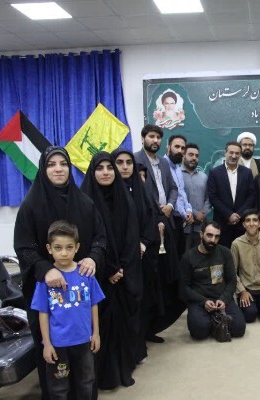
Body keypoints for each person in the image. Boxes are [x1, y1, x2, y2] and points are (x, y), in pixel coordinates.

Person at [14, 146, 106, 400]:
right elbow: (23, 247)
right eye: (51, 164)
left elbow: (100, 237)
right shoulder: (30, 206)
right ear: (43, 170)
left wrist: (93, 257)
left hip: (79, 294)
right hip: (47, 292)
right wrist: (45, 269)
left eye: (63, 164)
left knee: (85, 367)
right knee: (55, 369)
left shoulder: (85, 203)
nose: (58, 169)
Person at [81, 152, 143, 390]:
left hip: (124, 274)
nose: (106, 172)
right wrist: (108, 269)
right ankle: (105, 375)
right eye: (100, 168)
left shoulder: (124, 199)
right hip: (99, 275)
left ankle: (123, 368)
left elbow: (131, 236)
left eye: (109, 167)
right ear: (92, 172)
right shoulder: (85, 201)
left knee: (124, 323)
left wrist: (122, 268)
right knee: (102, 325)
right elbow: (86, 241)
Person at [31, 220, 105, 400]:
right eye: (58, 248)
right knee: (58, 388)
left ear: (77, 247)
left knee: (86, 381)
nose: (64, 253)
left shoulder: (86, 274)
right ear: (49, 249)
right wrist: (47, 344)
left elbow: (93, 304)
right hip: (58, 345)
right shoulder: (46, 280)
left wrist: (96, 333)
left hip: (84, 341)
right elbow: (43, 313)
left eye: (69, 247)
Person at [134, 124, 184, 343]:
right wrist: (157, 213)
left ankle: (155, 325)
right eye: (151, 136)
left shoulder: (163, 162)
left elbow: (173, 188)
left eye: (158, 137)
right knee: (150, 280)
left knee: (165, 277)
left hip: (167, 222)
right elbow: (139, 193)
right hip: (148, 225)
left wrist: (170, 206)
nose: (155, 140)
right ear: (143, 138)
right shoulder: (135, 160)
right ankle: (142, 330)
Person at [112, 147, 160, 364]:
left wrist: (143, 242)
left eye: (128, 162)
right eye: (119, 162)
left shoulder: (140, 190)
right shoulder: (109, 193)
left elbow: (150, 219)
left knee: (141, 303)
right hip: (119, 261)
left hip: (141, 256)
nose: (124, 167)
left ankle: (138, 348)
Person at [179, 221, 246, 340]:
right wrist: (203, 301)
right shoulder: (188, 257)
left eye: (216, 237)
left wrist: (224, 299)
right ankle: (216, 321)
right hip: (199, 301)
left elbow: (232, 280)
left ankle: (216, 321)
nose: (213, 240)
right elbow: (184, 287)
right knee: (199, 332)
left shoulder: (225, 252)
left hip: (222, 299)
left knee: (239, 329)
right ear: (201, 234)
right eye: (209, 235)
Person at [231, 209, 260, 323]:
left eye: (255, 220)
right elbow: (232, 271)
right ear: (244, 224)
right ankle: (253, 306)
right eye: (248, 221)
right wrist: (242, 291)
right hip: (247, 288)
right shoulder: (236, 244)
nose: (251, 223)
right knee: (249, 316)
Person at [207, 141, 256, 248]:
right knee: (222, 252)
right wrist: (229, 215)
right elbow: (213, 197)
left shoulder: (247, 172)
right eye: (231, 152)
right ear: (225, 153)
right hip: (221, 222)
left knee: (242, 252)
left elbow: (251, 195)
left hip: (242, 223)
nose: (234, 156)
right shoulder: (215, 172)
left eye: (237, 153)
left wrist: (239, 214)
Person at [165, 134, 194, 255]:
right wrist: (184, 213)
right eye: (176, 147)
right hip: (168, 219)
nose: (180, 151)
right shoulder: (162, 165)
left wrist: (188, 210)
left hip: (179, 220)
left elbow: (181, 192)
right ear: (168, 147)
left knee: (180, 255)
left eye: (183, 148)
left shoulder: (177, 168)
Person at [181, 143, 212, 251]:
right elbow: (178, 198)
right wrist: (195, 213)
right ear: (183, 155)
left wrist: (202, 214)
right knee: (184, 256)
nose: (194, 158)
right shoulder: (176, 175)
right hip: (183, 226)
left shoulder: (204, 176)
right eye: (191, 155)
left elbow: (209, 198)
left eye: (196, 156)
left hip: (201, 227)